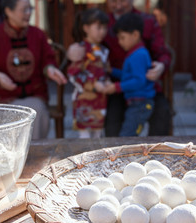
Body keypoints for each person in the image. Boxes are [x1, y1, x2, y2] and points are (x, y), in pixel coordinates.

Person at [67, 0, 172, 137]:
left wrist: (161, 66)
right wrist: (72, 51)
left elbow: (163, 53)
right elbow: (89, 45)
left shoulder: (148, 21)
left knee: (162, 113)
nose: (118, 6)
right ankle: (118, 156)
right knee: (113, 123)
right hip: (113, 87)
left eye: (122, 1)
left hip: (143, 89)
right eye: (113, 1)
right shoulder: (103, 22)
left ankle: (157, 155)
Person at [0, 0, 67, 139]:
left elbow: (48, 58)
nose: (29, 13)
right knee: (8, 117)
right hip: (5, 99)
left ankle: (34, 155)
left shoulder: (38, 34)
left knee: (36, 111)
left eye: (30, 9)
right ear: (8, 11)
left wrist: (50, 69)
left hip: (34, 97)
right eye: (24, 10)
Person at [95, 13, 155, 137]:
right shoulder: (135, 53)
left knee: (127, 135)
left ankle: (130, 155)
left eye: (122, 38)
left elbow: (139, 81)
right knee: (129, 133)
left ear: (135, 35)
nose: (119, 42)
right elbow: (129, 76)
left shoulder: (139, 55)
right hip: (136, 103)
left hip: (140, 104)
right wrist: (112, 71)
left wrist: (117, 87)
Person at [67, 8, 111, 139]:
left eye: (104, 28)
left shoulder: (104, 50)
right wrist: (93, 84)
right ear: (86, 28)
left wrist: (107, 81)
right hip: (83, 98)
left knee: (98, 133)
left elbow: (105, 70)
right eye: (98, 27)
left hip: (100, 97)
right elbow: (73, 73)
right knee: (84, 136)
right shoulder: (80, 49)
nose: (102, 31)